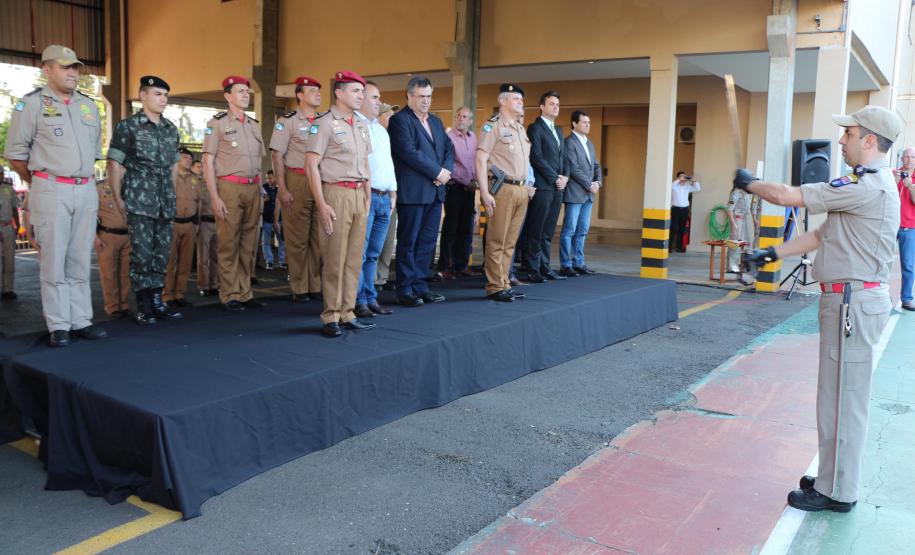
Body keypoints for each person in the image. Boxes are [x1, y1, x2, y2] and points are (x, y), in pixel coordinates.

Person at [737, 105, 902, 513]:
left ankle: (839, 491)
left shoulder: (867, 185)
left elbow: (788, 196)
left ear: (869, 140)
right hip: (848, 301)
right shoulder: (864, 187)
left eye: (849, 133)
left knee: (844, 400)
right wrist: (771, 252)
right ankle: (831, 478)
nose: (841, 140)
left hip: (853, 302)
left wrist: (749, 183)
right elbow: (820, 236)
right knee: (834, 396)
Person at [4, 45, 107, 347]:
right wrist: (40, 182)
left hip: (86, 187)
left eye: (75, 67)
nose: (73, 73)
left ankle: (81, 321)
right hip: (51, 187)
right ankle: (59, 325)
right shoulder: (31, 105)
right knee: (54, 260)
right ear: (47, 69)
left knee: (79, 258)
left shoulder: (87, 105)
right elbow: (16, 156)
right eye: (65, 67)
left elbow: (94, 151)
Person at [305, 70, 375, 338]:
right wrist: (321, 203)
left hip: (359, 195)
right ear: (339, 93)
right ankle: (330, 315)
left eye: (362, 91)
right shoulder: (323, 123)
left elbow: (365, 162)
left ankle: (348, 312)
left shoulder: (360, 124)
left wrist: (368, 194)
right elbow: (311, 164)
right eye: (356, 91)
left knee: (354, 259)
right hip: (336, 194)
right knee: (335, 258)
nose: (361, 96)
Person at [108, 76, 183, 325]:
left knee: (161, 254)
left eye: (165, 95)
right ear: (143, 95)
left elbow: (174, 165)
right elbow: (115, 163)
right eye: (157, 94)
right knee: (141, 254)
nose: (163, 99)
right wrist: (118, 196)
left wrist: (170, 193)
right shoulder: (128, 126)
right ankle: (142, 305)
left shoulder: (170, 129)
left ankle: (157, 301)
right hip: (139, 201)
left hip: (164, 202)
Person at [388, 76, 454, 307]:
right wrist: (437, 173)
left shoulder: (435, 121)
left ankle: (420, 285)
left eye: (429, 96)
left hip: (435, 192)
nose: (426, 101)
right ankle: (405, 288)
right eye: (421, 97)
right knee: (409, 242)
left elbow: (448, 148)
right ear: (409, 96)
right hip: (414, 192)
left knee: (427, 242)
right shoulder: (400, 121)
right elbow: (408, 152)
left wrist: (445, 171)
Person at [202, 75, 266, 312]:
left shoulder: (253, 124)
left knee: (248, 243)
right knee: (229, 242)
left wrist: (260, 192)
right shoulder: (217, 123)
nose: (245, 94)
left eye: (247, 91)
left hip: (252, 187)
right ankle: (229, 293)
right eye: (240, 91)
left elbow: (259, 163)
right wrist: (215, 197)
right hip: (229, 187)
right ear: (228, 96)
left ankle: (244, 291)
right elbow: (207, 162)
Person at [476, 84, 533, 302]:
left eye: (521, 99)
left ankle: (504, 282)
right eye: (516, 99)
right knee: (496, 240)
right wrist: (484, 192)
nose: (521, 102)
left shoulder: (519, 128)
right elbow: (481, 160)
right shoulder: (493, 126)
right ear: (503, 101)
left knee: (510, 242)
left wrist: (527, 185)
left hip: (520, 189)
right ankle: (494, 286)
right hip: (503, 189)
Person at [270, 76, 322, 302]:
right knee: (298, 237)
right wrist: (282, 188)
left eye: (319, 91)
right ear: (299, 95)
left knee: (319, 237)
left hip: (320, 181)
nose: (318, 94)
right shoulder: (287, 121)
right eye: (312, 90)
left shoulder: (325, 120)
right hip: (297, 180)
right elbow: (276, 155)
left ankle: (315, 285)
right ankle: (300, 287)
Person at [354, 82, 397, 319]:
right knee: (360, 253)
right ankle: (359, 300)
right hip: (367, 197)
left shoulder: (380, 129)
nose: (378, 101)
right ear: (360, 99)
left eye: (379, 97)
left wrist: (393, 193)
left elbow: (387, 165)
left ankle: (371, 298)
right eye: (374, 97)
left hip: (383, 198)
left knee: (373, 254)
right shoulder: (355, 126)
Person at [522, 91, 568, 282]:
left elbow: (563, 157)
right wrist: (554, 177)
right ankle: (532, 268)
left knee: (548, 230)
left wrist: (564, 177)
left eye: (557, 104)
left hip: (558, 187)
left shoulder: (558, 131)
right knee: (536, 228)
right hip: (543, 186)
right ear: (542, 107)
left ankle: (545, 266)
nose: (555, 107)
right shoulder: (535, 128)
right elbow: (537, 157)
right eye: (551, 103)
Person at [438, 106, 478, 279]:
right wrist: (466, 182)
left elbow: (476, 162)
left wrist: (475, 181)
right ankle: (446, 266)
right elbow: (447, 164)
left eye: (465, 117)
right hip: (454, 187)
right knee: (451, 228)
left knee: (466, 228)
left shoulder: (473, 138)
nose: (461, 119)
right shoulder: (448, 137)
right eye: (459, 116)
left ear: (470, 121)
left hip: (470, 188)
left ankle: (462, 265)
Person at [559, 110, 600, 277]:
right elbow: (573, 168)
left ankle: (579, 263)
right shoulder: (569, 142)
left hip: (589, 193)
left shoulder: (589, 143)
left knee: (582, 230)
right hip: (575, 193)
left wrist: (598, 182)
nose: (587, 125)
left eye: (589, 122)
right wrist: (589, 184)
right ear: (574, 124)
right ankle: (565, 264)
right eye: (584, 122)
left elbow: (596, 166)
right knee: (569, 230)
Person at [162, 146, 200, 307]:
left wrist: (196, 223)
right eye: (185, 157)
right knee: (170, 262)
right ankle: (167, 295)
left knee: (185, 262)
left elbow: (199, 202)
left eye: (190, 158)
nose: (189, 160)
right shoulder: (168, 176)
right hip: (172, 223)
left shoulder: (195, 178)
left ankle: (179, 293)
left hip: (189, 224)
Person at [94, 179, 131, 318]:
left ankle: (124, 304)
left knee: (125, 273)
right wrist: (94, 236)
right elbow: (91, 212)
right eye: (118, 166)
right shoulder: (100, 188)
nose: (121, 170)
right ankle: (112, 306)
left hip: (127, 235)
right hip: (107, 235)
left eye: (123, 167)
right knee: (108, 273)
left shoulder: (128, 186)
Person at [376, 102, 400, 289]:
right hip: (375, 192)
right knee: (374, 240)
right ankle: (372, 279)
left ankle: (381, 277)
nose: (393, 119)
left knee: (388, 238)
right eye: (389, 115)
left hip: (391, 192)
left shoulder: (392, 137)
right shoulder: (374, 135)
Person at [894, 147, 915, 310]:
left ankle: (906, 298)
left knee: (908, 264)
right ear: (902, 159)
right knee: (880, 261)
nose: (909, 159)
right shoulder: (894, 174)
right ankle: (879, 295)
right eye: (907, 156)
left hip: (909, 227)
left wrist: (910, 186)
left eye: (913, 157)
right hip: (890, 225)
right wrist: (894, 182)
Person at [196, 166, 219, 297]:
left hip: (218, 223)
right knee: (203, 257)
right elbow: (197, 204)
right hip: (204, 222)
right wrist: (197, 223)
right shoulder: (200, 184)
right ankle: (204, 285)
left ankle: (214, 284)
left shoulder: (220, 184)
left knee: (216, 257)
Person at [670, 171, 700, 252]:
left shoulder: (687, 186)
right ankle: (669, 247)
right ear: (678, 177)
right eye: (681, 176)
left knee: (682, 229)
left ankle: (679, 247)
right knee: (673, 228)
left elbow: (698, 188)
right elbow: (671, 186)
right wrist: (679, 179)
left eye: (684, 176)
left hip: (685, 209)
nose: (683, 178)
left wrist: (694, 181)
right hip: (675, 209)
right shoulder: (674, 186)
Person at [261, 170, 285, 270]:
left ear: (275, 178)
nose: (268, 180)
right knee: (265, 241)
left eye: (270, 178)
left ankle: (282, 261)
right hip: (266, 218)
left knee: (282, 240)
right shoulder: (264, 187)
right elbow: (262, 198)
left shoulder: (280, 188)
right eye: (267, 178)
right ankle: (269, 261)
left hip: (279, 219)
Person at [0, 171, 18, 300]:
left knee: (9, 260)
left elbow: (14, 208)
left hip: (7, 227)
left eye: (0, 173)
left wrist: (16, 225)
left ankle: (8, 289)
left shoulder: (8, 188)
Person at [726, 186, 751, 273]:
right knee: (734, 243)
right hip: (737, 219)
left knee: (742, 243)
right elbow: (729, 209)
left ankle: (739, 265)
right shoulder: (735, 193)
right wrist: (733, 224)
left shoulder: (745, 193)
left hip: (744, 219)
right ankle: (731, 267)